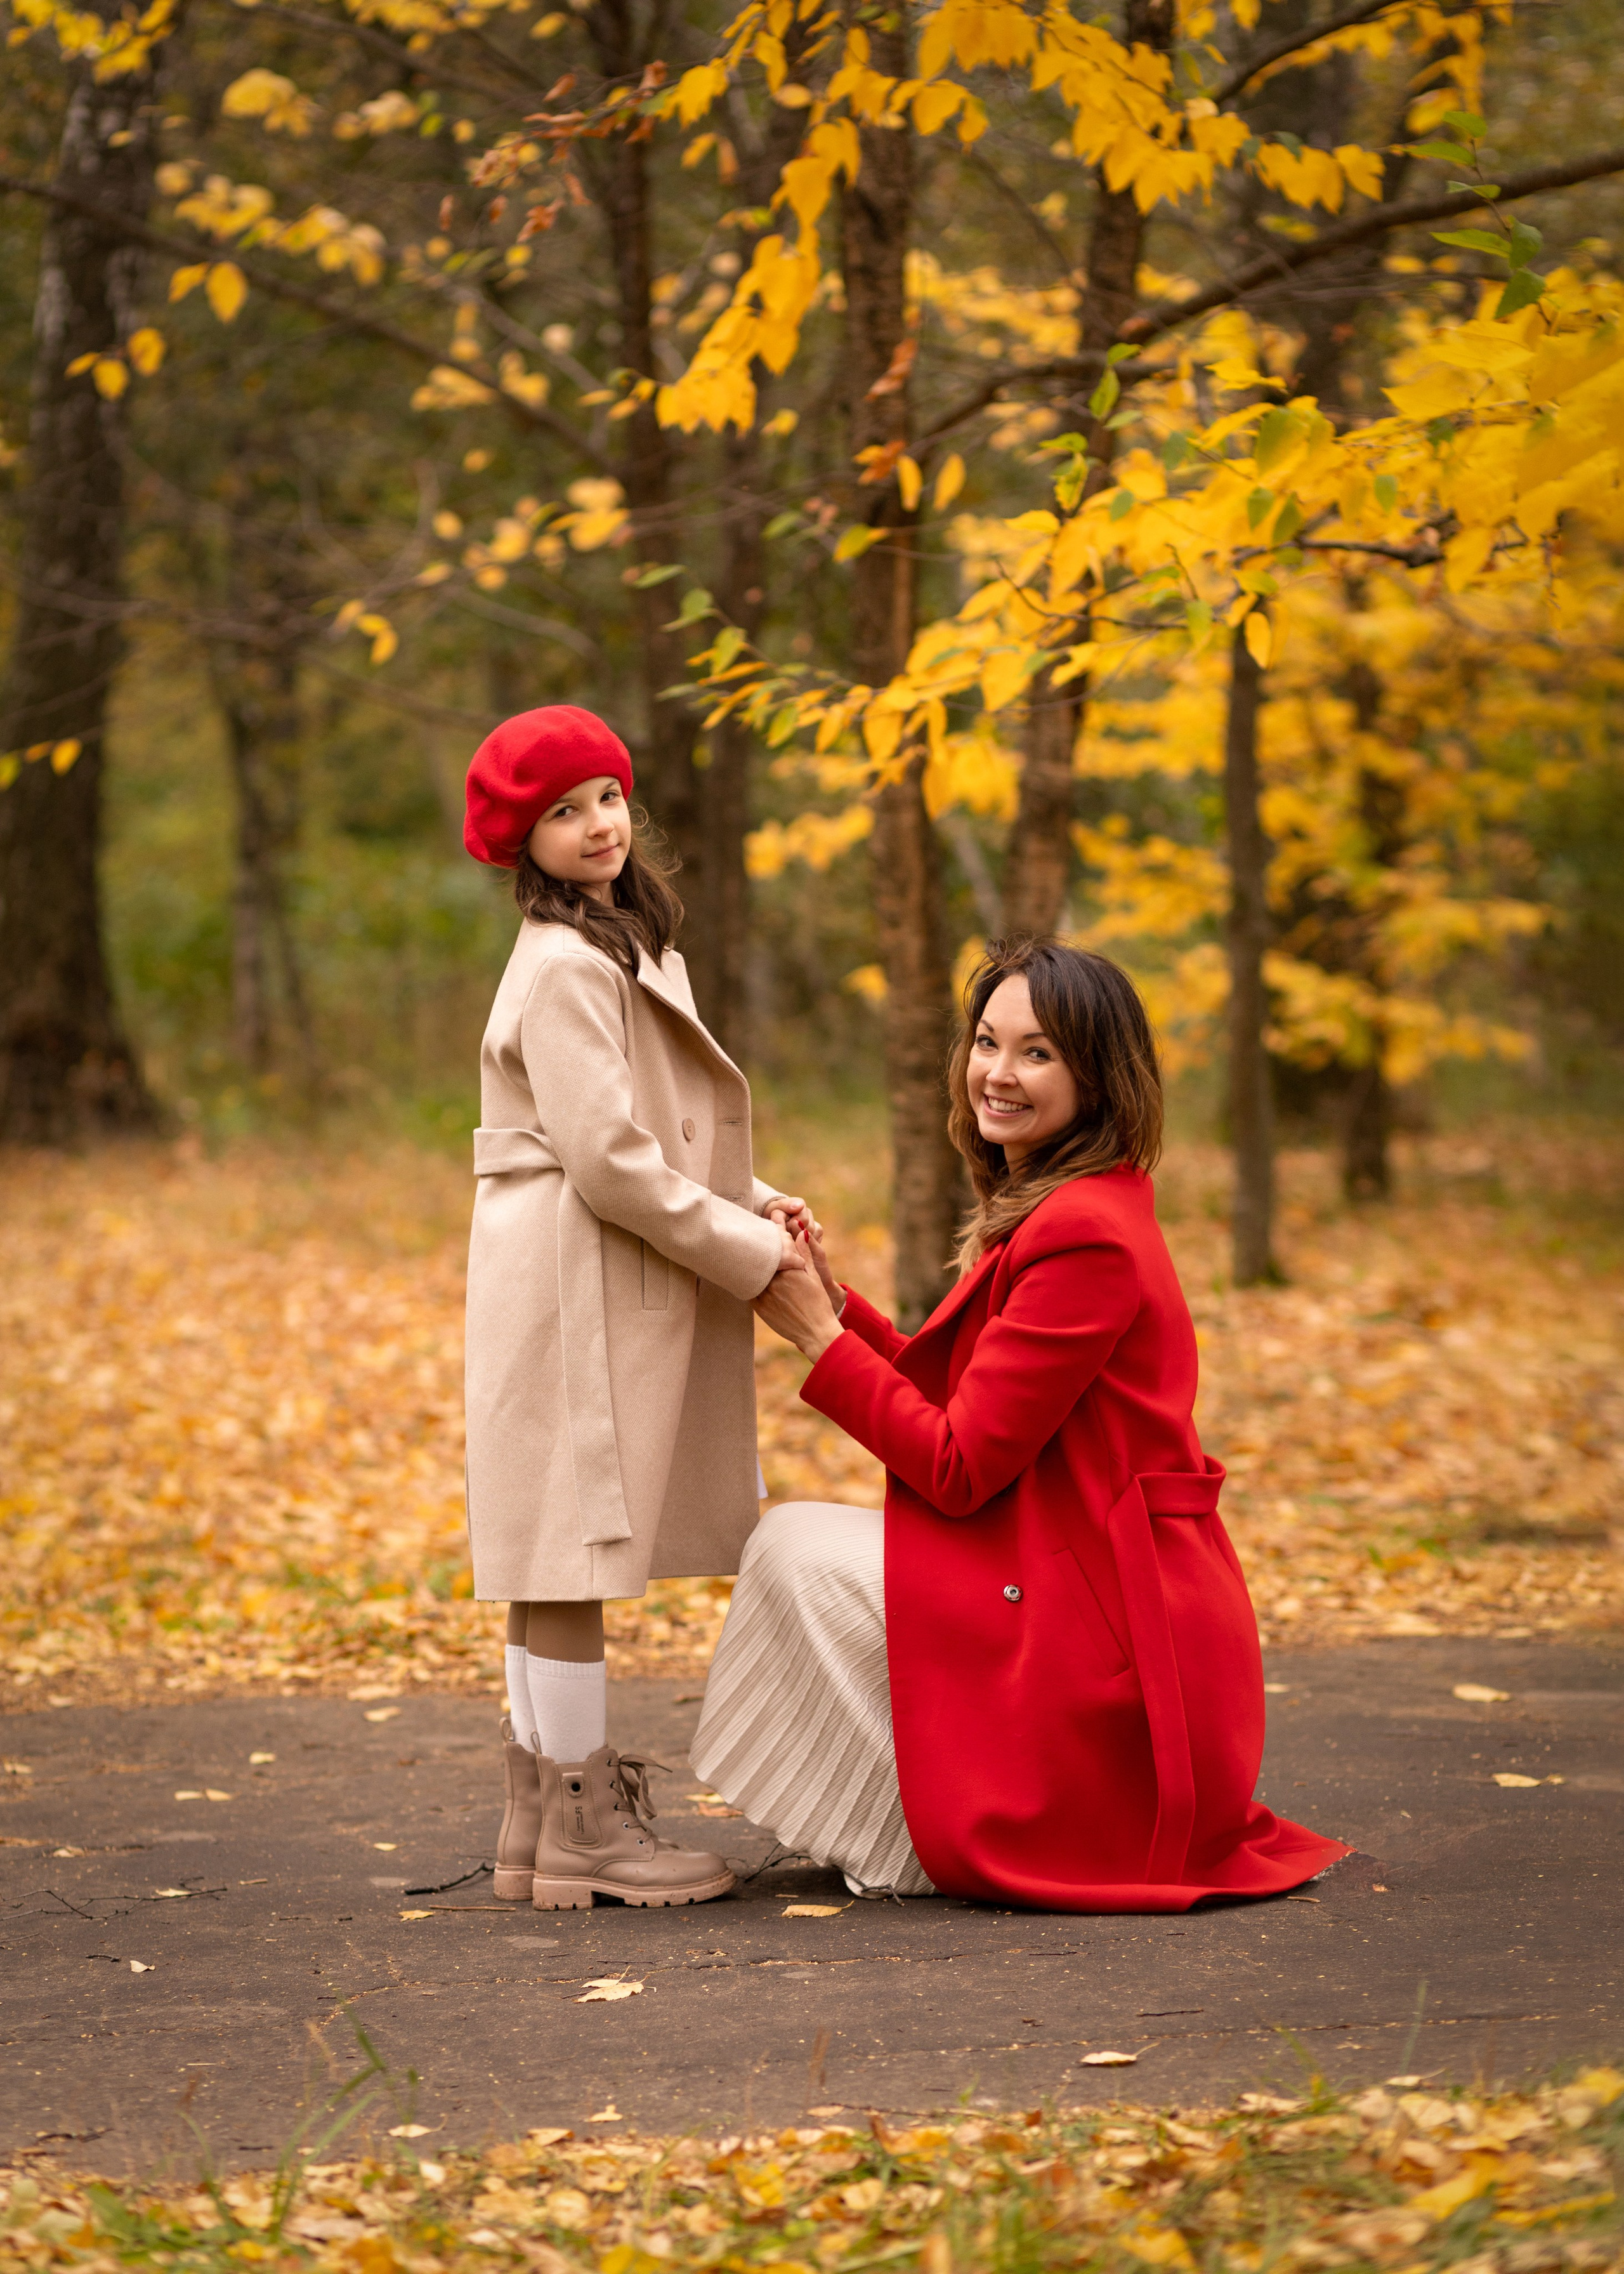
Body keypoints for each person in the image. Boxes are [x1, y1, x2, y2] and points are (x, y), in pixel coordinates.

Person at [692, 937, 1349, 1911]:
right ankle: (918, 1811)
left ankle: (926, 1836)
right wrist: (838, 1305)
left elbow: (959, 1465)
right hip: (1082, 1578)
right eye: (988, 1042)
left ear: (1100, 1076)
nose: (999, 1073)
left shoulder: (1086, 1234)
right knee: (797, 1539)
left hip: (1111, 1635)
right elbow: (981, 1401)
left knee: (792, 1546)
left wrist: (817, 1341)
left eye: (1037, 1053)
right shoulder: (1072, 1204)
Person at [461, 704, 810, 1910]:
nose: (597, 825)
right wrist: (746, 1252)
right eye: (562, 814)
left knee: (557, 1545)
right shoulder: (563, 965)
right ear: (524, 843)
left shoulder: (621, 941)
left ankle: (533, 1825)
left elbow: (653, 1128)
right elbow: (609, 1161)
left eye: (605, 796)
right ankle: (585, 1829)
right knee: (566, 1548)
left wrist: (759, 1201)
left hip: (591, 1264)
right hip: (574, 1274)